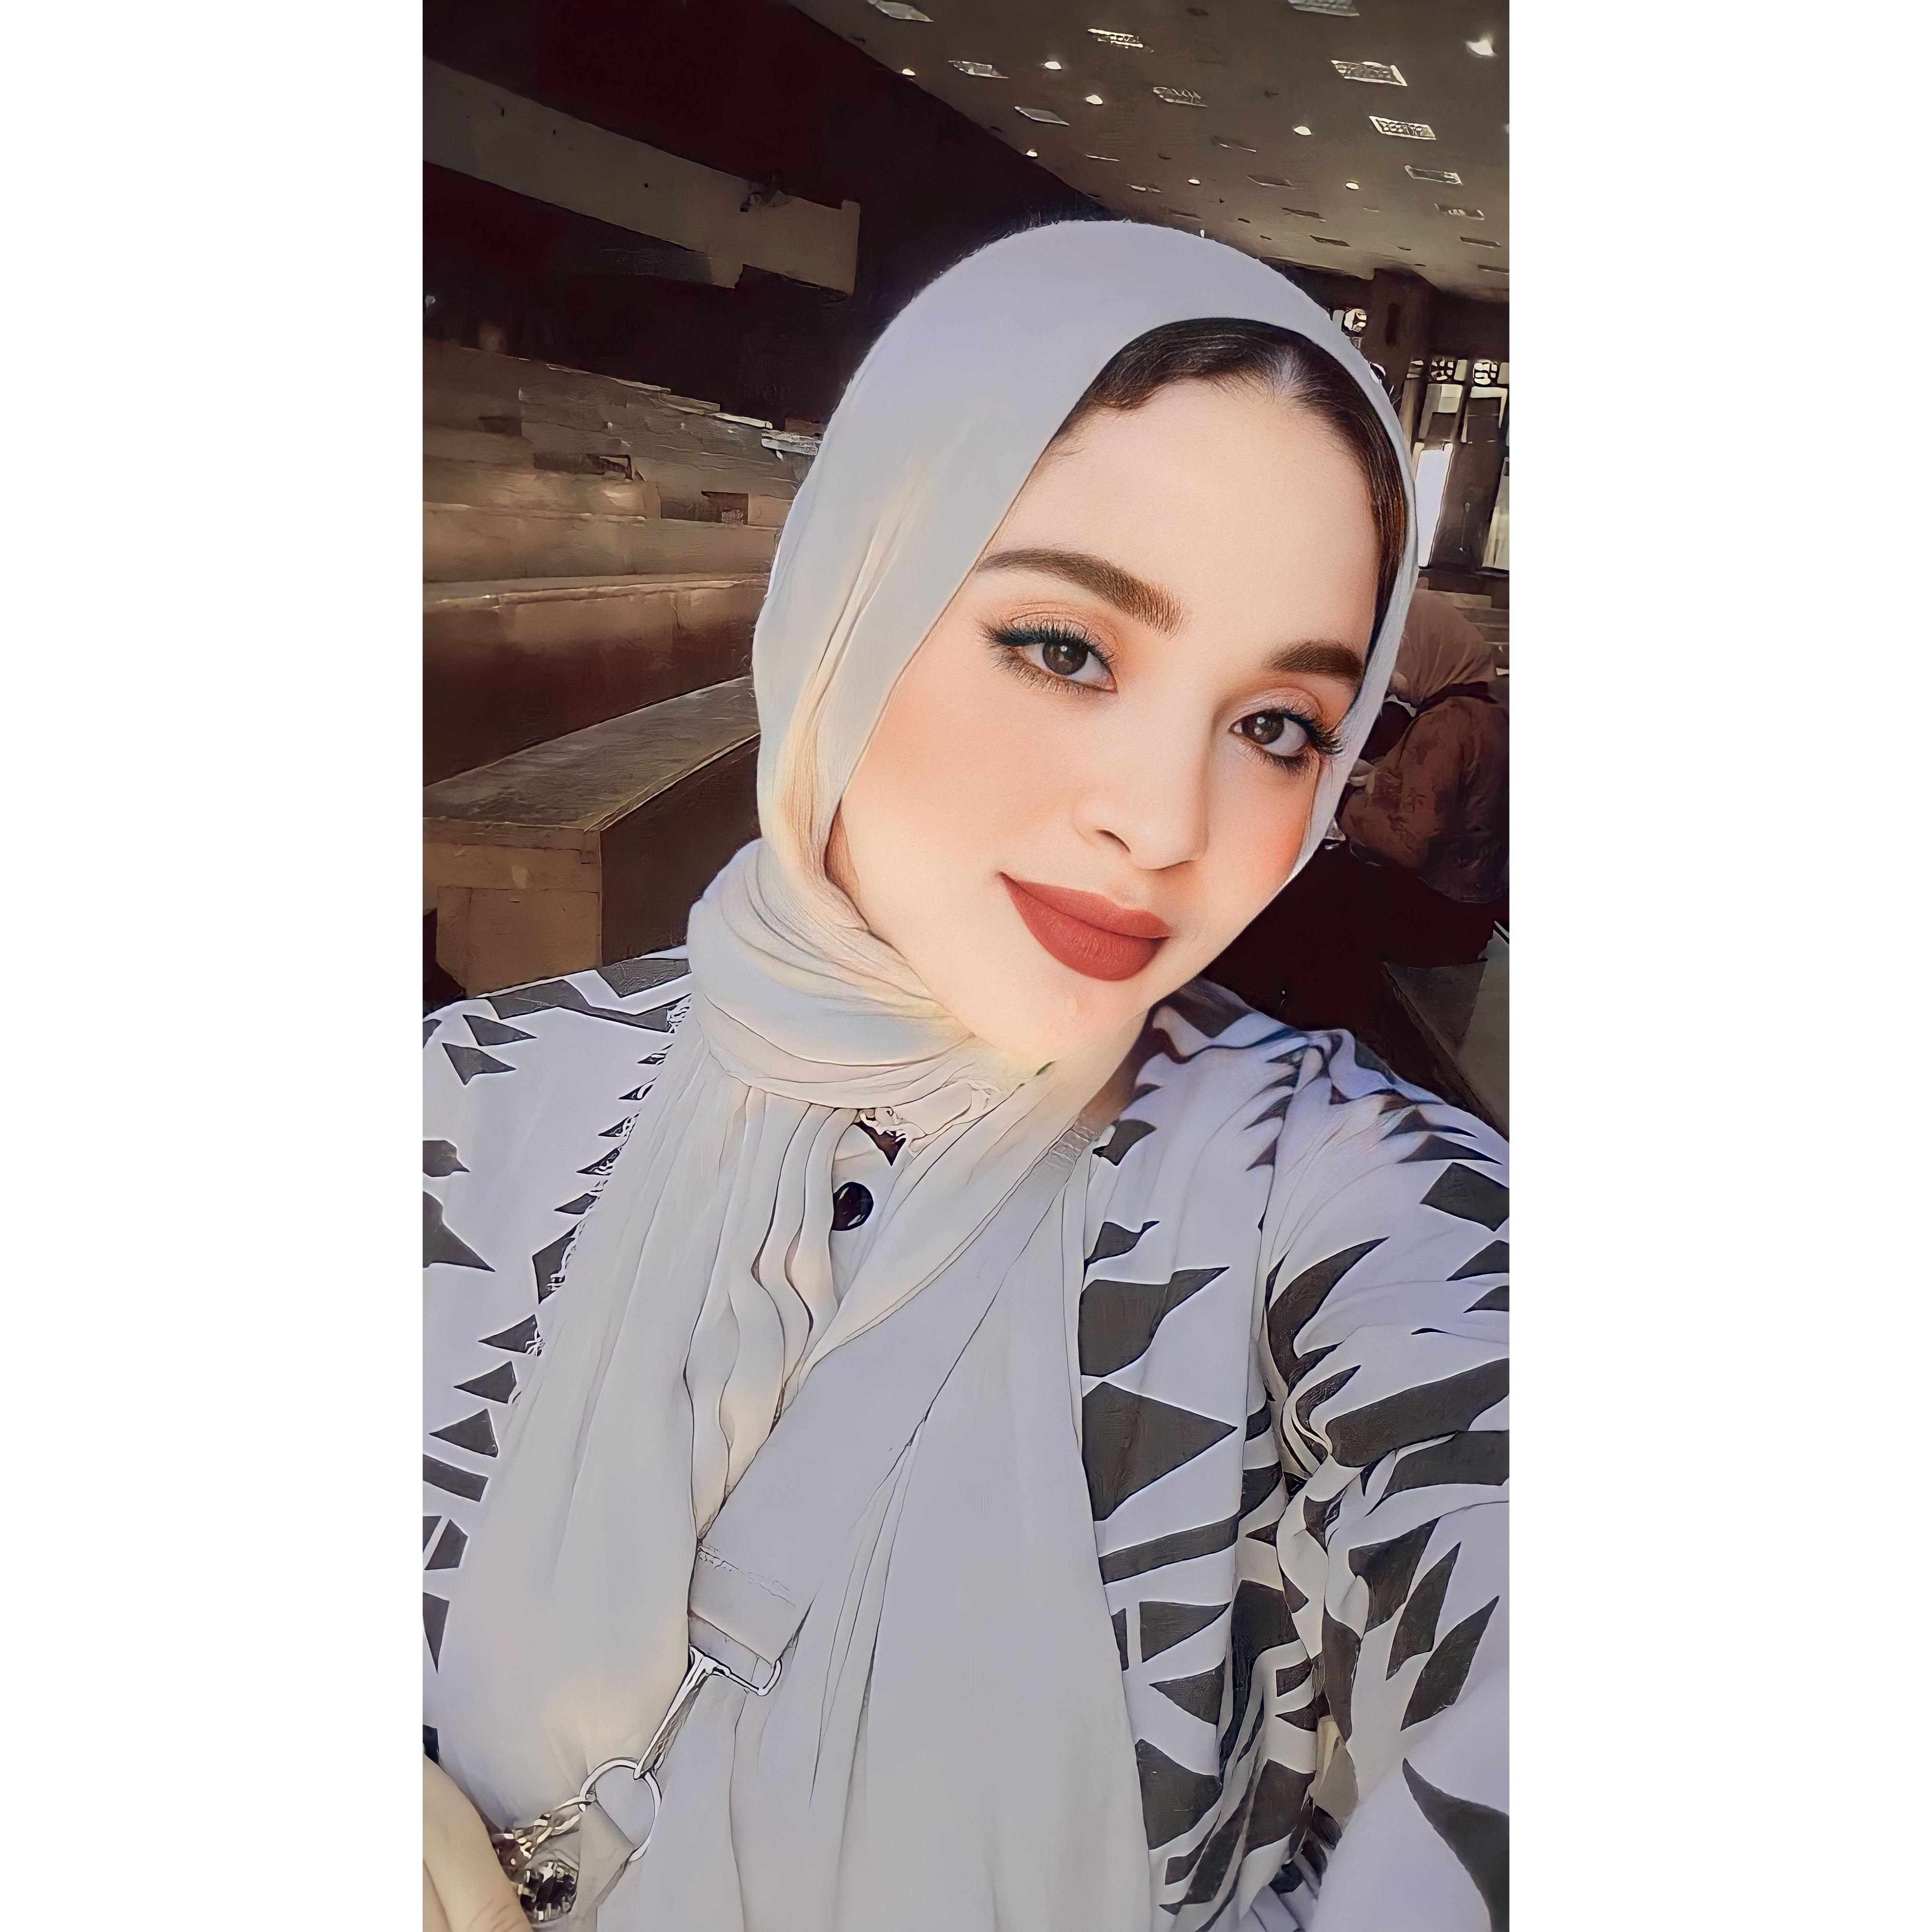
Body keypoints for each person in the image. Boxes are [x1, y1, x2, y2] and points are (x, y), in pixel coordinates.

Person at [423, 222, 1508, 1932]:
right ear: (856, 595)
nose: (1162, 822)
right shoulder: (464, 1105)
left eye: (1277, 726)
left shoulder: (1323, 1203)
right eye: (1067, 648)